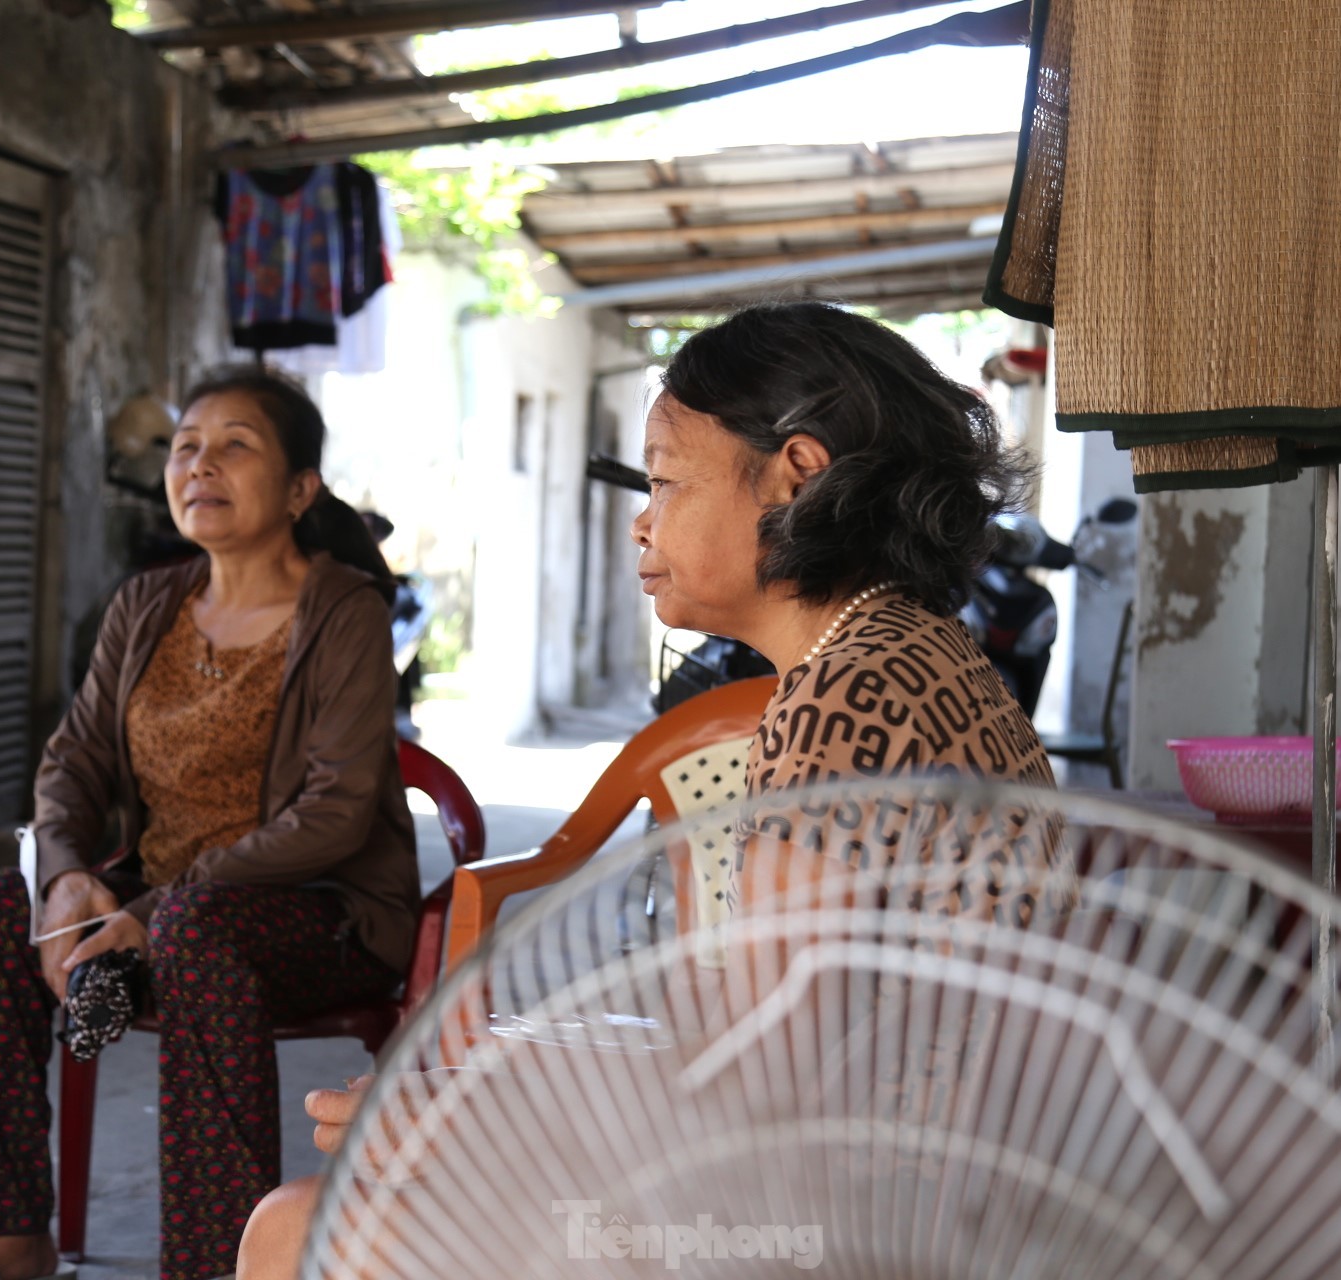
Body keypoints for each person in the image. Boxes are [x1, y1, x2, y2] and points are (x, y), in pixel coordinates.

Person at [229, 301, 1059, 1279]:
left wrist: (461, 1103)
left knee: (297, 1227)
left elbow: (761, 1083)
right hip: (950, 1189)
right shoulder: (912, 653)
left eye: (666, 480)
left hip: (861, 1227)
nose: (643, 514)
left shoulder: (844, 698)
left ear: (798, 474)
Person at [0, 368, 420, 1280]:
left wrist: (159, 908)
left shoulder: (343, 612)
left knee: (195, 929)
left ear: (300, 489)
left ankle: (219, 1264)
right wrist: (67, 877)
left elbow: (337, 815)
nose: (199, 465)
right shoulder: (147, 606)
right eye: (186, 445)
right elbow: (73, 763)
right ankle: (9, 1239)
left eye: (235, 445)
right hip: (164, 916)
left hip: (316, 913)